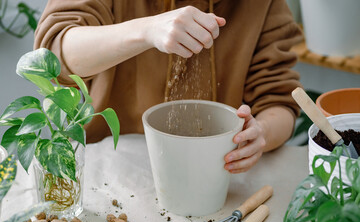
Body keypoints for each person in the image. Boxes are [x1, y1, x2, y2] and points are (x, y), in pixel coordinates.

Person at [34, 0, 303, 174]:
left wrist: (261, 132)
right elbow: (55, 55)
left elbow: (278, 99)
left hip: (218, 173)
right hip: (111, 167)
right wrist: (147, 30)